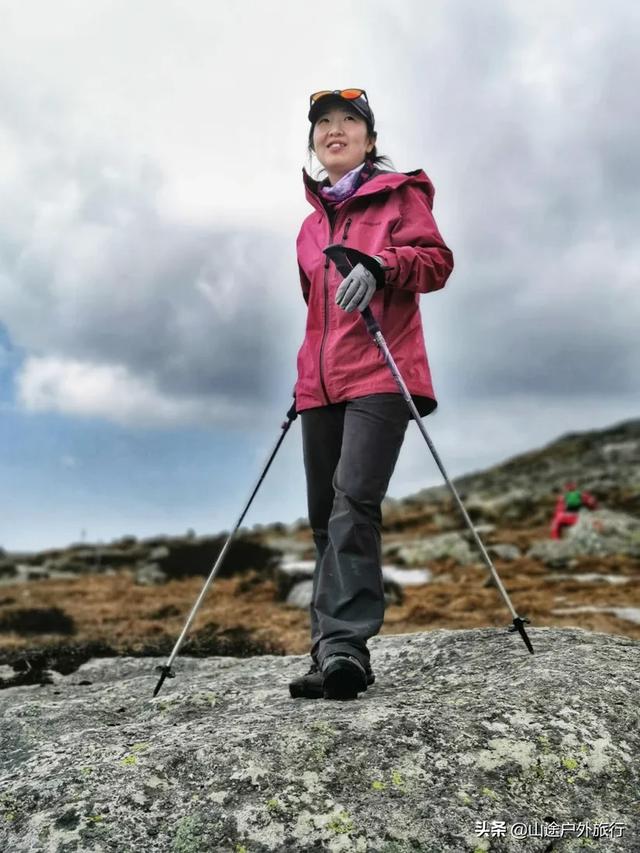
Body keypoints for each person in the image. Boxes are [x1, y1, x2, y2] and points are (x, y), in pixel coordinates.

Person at [288, 89, 454, 701]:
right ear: (314, 141)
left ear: (370, 140)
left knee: (353, 502)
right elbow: (315, 313)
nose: (335, 130)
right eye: (324, 123)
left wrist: (382, 265)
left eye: (348, 121)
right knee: (321, 520)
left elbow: (436, 262)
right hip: (320, 385)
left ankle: (346, 650)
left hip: (383, 373)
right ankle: (325, 648)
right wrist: (305, 374)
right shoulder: (308, 228)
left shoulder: (400, 195)